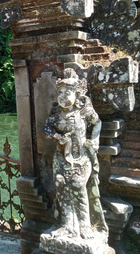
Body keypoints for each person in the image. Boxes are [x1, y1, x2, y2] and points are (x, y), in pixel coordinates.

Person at [43, 68, 107, 239]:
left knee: (78, 185)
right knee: (60, 184)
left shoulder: (83, 110)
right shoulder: (56, 112)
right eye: (60, 92)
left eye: (68, 92)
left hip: (81, 157)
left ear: (77, 94)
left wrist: (95, 140)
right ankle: (68, 226)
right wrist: (58, 137)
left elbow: (97, 123)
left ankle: (85, 225)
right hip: (61, 156)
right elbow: (47, 129)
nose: (63, 96)